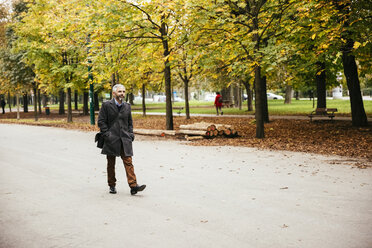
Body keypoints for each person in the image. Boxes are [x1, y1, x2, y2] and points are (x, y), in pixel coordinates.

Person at [98, 84, 146, 195]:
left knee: (128, 161)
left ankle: (133, 185)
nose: (122, 94)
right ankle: (112, 185)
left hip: (125, 139)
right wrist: (107, 134)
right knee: (111, 163)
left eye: (124, 91)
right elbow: (101, 121)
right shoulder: (106, 105)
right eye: (120, 91)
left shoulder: (127, 106)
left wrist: (130, 134)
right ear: (114, 93)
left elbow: (130, 122)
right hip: (111, 139)